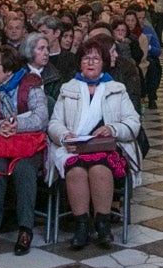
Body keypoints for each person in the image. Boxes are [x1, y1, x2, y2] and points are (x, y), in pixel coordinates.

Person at [49, 38, 141, 250]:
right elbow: (54, 123)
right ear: (80, 63)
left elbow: (133, 123)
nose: (90, 63)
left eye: (96, 59)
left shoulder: (116, 89)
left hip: (106, 149)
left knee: (99, 169)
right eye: (86, 58)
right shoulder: (68, 88)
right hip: (74, 148)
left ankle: (102, 224)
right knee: (76, 171)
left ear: (104, 63)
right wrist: (65, 135)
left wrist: (113, 129)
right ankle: (81, 226)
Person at [0, 46, 49, 255]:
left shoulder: (31, 85)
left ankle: (25, 229)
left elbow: (41, 118)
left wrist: (15, 125)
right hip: (0, 144)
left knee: (23, 170)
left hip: (27, 146)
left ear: (8, 70)